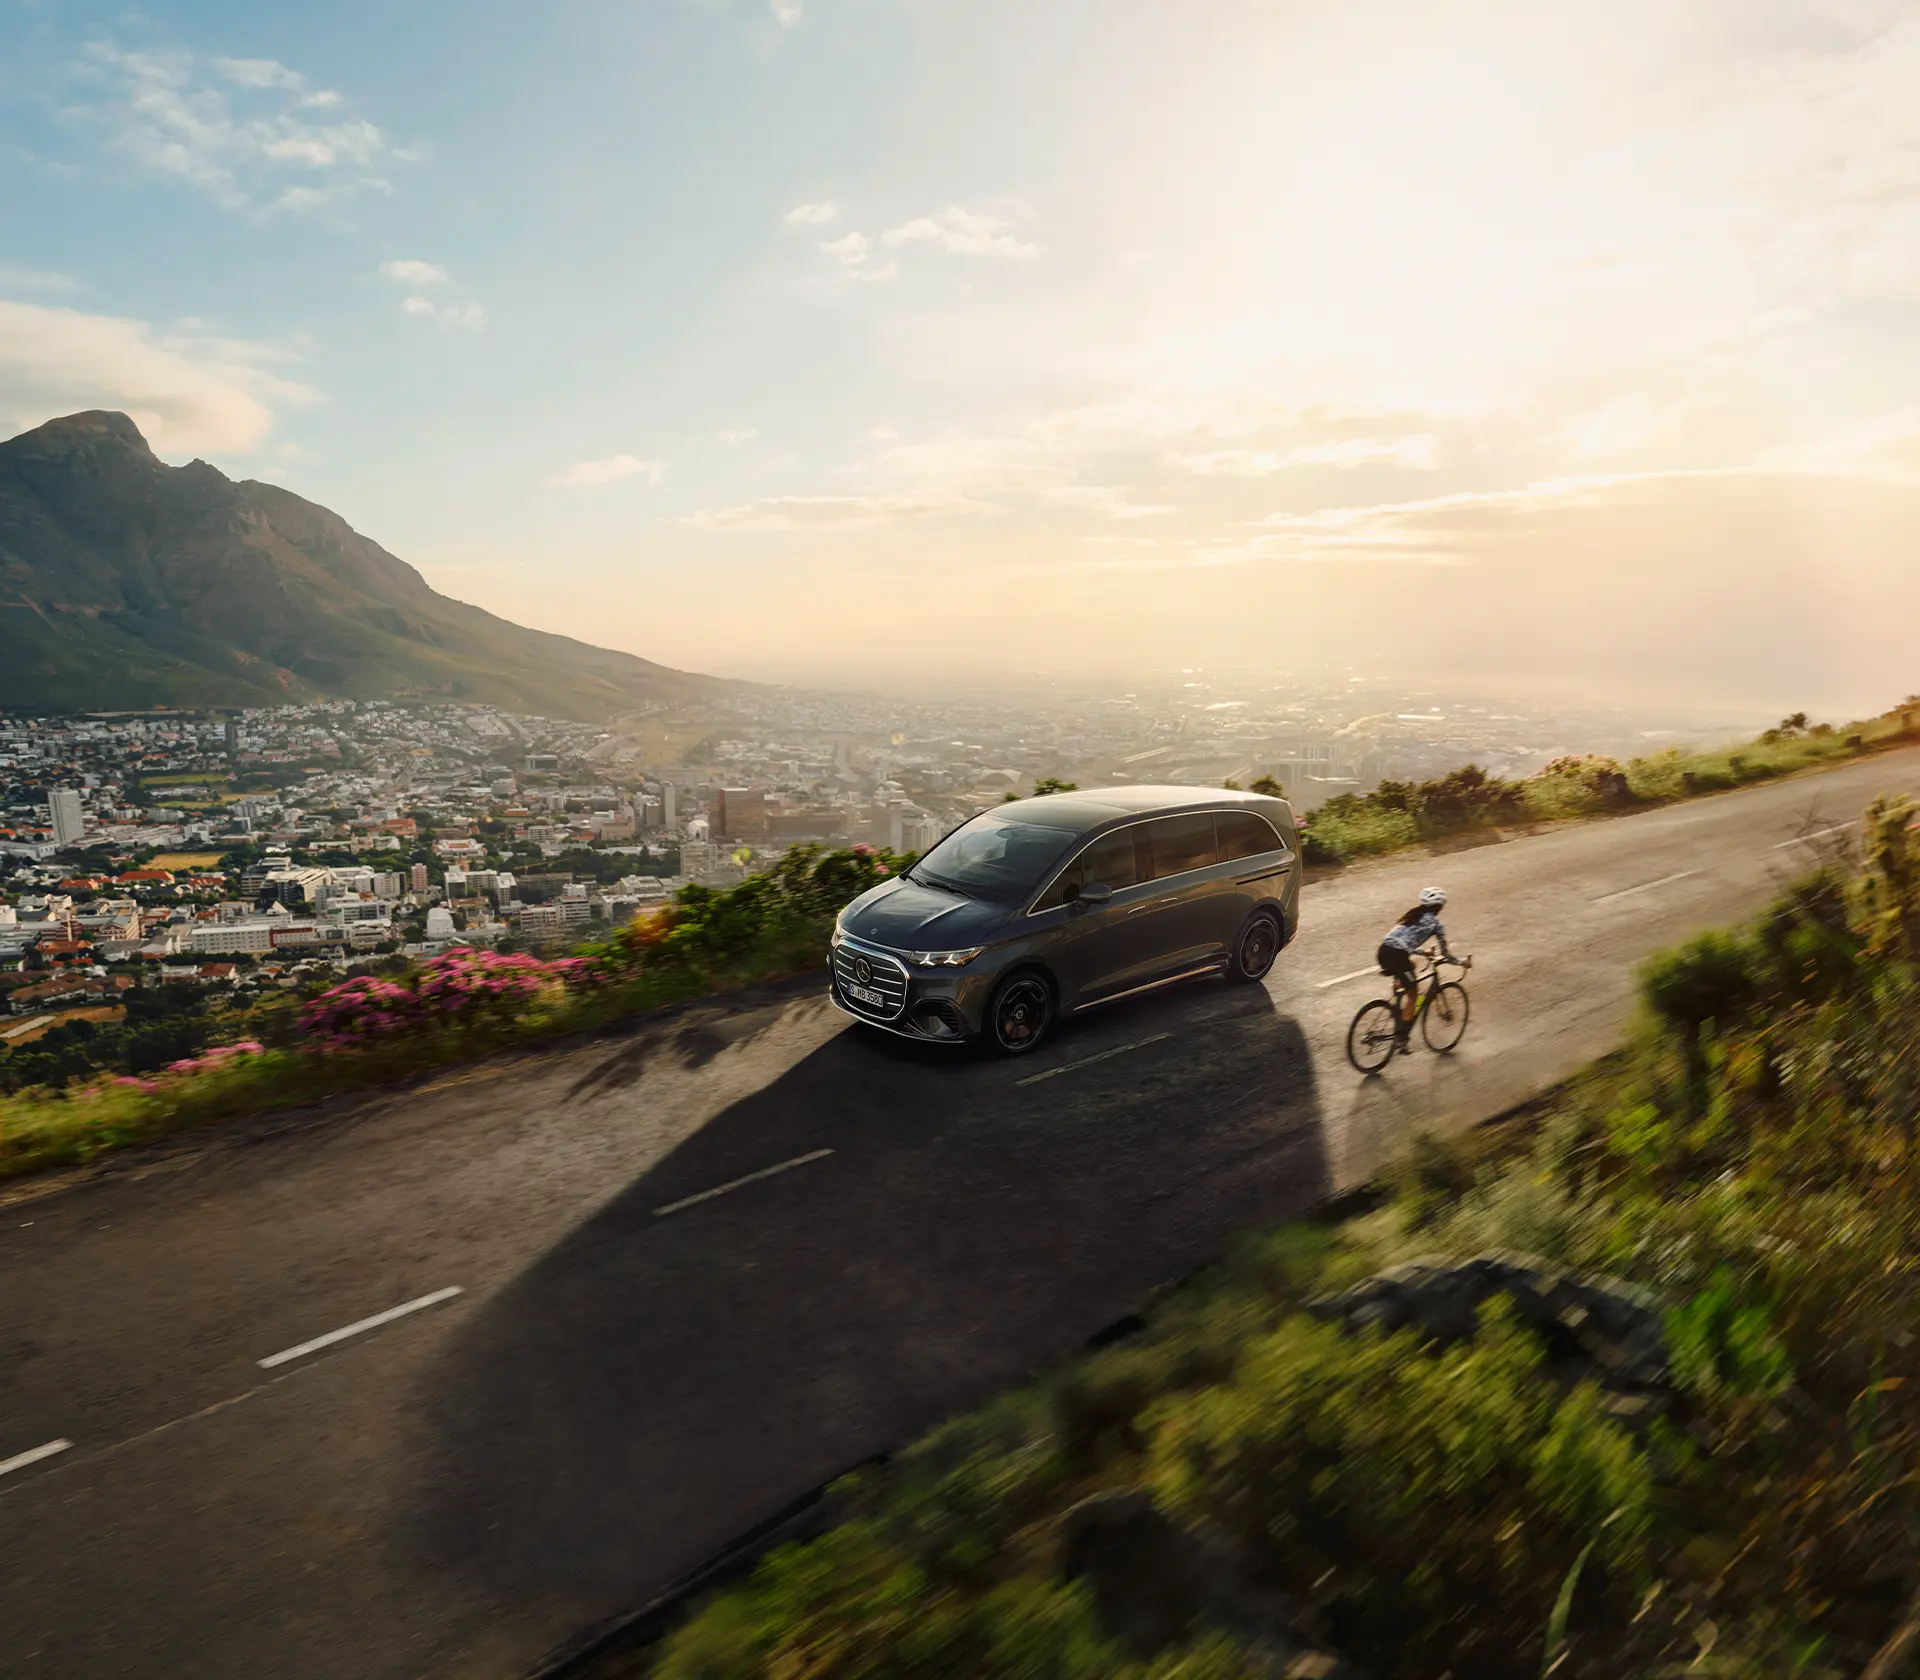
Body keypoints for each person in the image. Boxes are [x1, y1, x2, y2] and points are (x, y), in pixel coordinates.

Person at [1377, 887, 1451, 1050]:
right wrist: (1461, 962)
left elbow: (1403, 942)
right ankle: (1402, 1039)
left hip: (1383, 952)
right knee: (1413, 993)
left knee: (1410, 966)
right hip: (1397, 956)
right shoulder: (1435, 923)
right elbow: (1446, 954)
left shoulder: (1412, 915)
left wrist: (1423, 951)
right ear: (1439, 907)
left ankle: (1397, 1003)